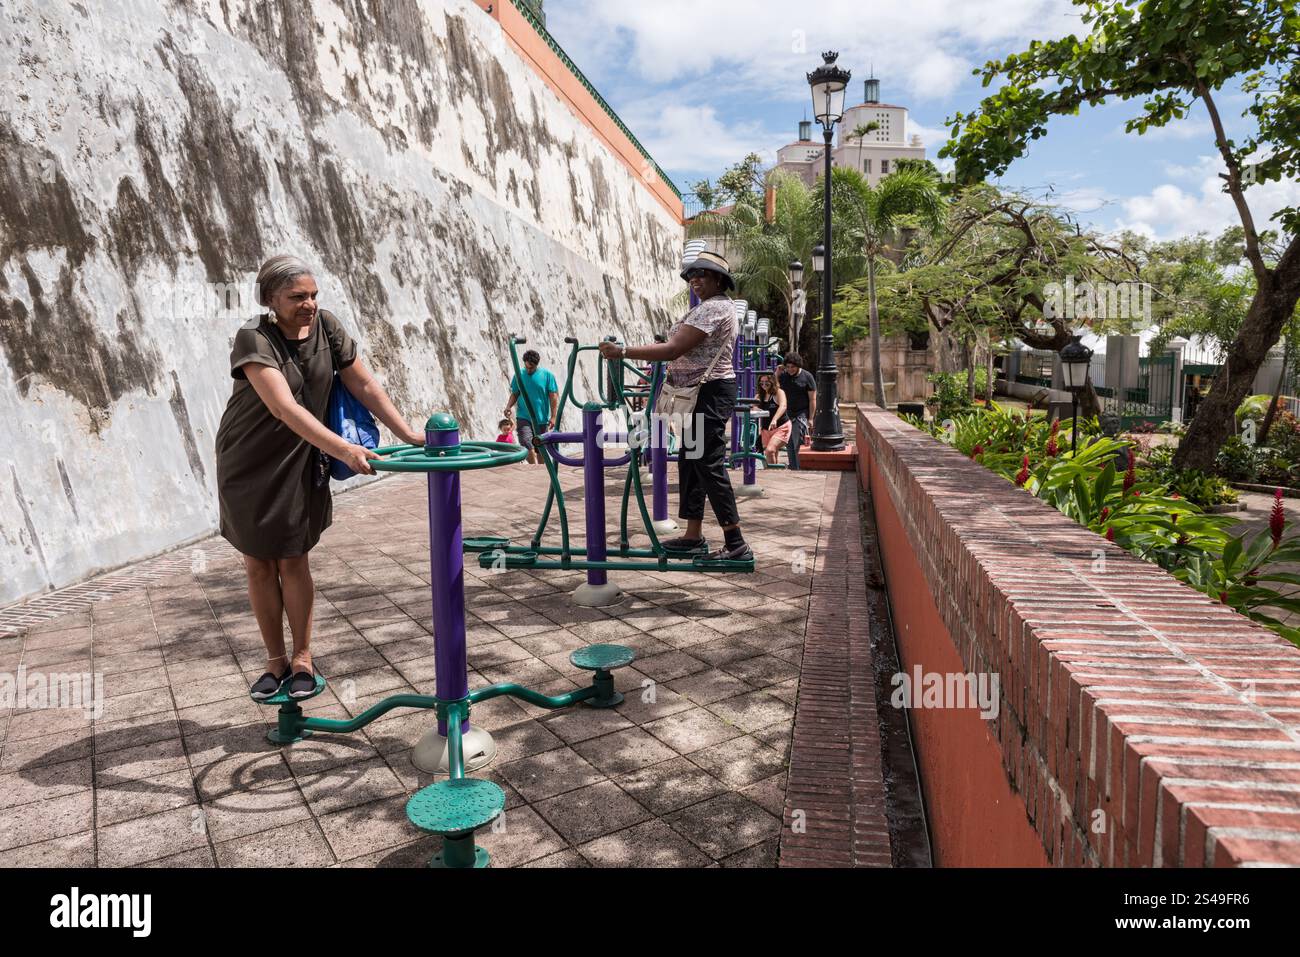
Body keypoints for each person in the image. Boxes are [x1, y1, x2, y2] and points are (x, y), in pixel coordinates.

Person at [216, 256, 425, 701]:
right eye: (297, 297)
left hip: (302, 456)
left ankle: (303, 657)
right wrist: (345, 449)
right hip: (249, 461)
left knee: (294, 557)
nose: (308, 304)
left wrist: (408, 432)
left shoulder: (327, 328)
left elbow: (363, 385)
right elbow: (281, 407)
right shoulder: (254, 337)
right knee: (258, 562)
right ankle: (274, 661)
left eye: (312, 295)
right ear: (271, 299)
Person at [598, 251, 751, 562]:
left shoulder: (717, 308)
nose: (695, 280)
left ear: (718, 280)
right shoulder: (706, 308)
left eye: (702, 275)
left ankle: (736, 541)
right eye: (691, 276)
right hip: (696, 394)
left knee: (708, 463)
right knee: (690, 461)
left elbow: (673, 349)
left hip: (708, 394)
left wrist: (623, 351)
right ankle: (693, 535)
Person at [505, 350, 559, 466]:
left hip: (541, 418)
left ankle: (541, 469)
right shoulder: (519, 375)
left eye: (532, 368)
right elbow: (515, 393)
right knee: (525, 442)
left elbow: (553, 397)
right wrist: (508, 406)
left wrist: (554, 416)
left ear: (537, 364)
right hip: (523, 416)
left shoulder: (547, 375)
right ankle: (533, 467)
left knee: (541, 448)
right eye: (527, 367)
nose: (529, 370)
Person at [779, 353, 817, 470]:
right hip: (787, 414)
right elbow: (774, 389)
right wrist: (776, 373)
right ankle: (793, 466)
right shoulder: (784, 376)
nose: (790, 369)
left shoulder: (807, 377)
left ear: (798, 366)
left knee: (799, 440)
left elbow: (812, 399)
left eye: (793, 367)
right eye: (788, 367)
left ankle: (800, 466)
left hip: (802, 413)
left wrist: (811, 418)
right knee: (789, 442)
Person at [756, 372, 790, 466]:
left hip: (781, 426)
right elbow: (752, 406)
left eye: (767, 382)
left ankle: (771, 472)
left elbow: (783, 406)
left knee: (770, 450)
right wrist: (754, 408)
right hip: (766, 429)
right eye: (761, 382)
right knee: (772, 453)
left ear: (772, 382)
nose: (764, 384)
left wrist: (774, 419)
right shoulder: (760, 396)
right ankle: (775, 472)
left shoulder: (779, 392)